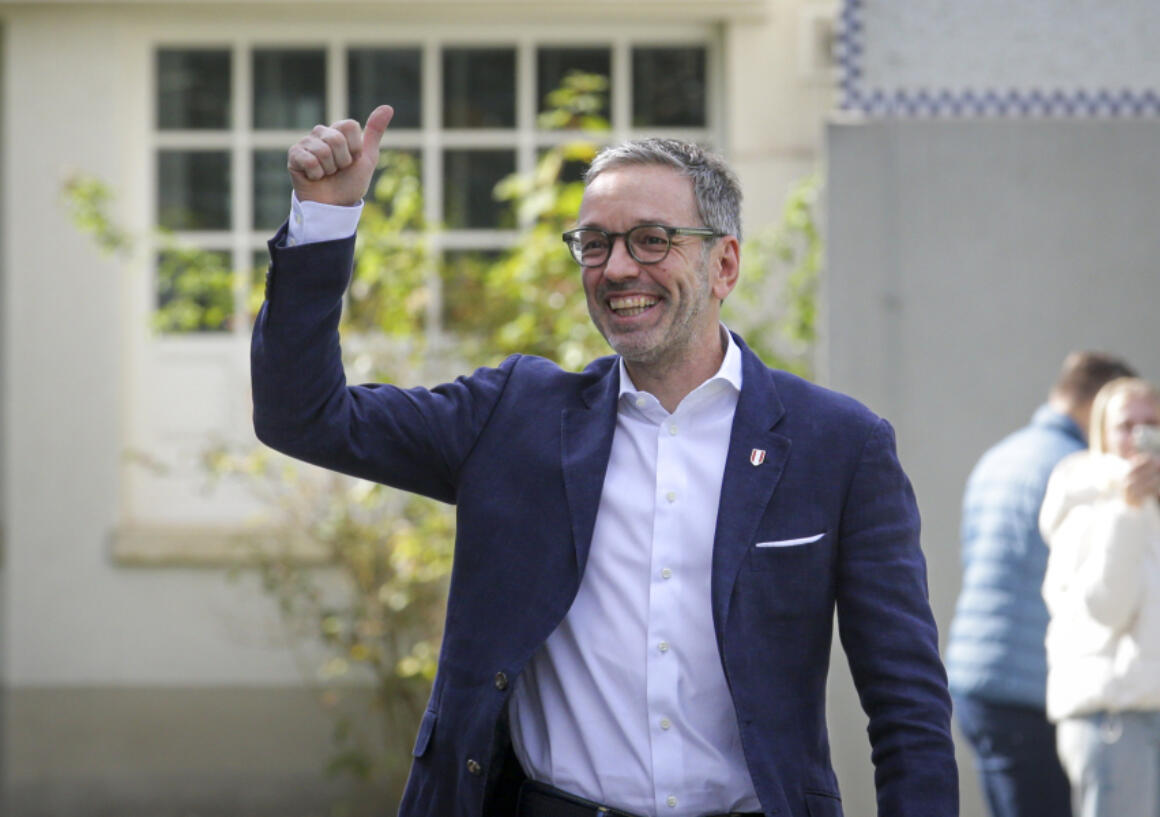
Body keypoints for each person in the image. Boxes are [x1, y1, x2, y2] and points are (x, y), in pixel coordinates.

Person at [251, 105, 957, 817]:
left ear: (726, 264)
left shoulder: (837, 444)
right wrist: (325, 220)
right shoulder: (514, 418)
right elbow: (304, 416)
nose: (619, 268)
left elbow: (907, 707)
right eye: (595, 244)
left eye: (652, 241)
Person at [945, 352, 1135, 817]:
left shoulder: (1000, 456)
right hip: (1032, 691)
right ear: (1097, 405)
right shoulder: (1080, 471)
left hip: (974, 683)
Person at [1040, 378, 1160, 817]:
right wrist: (1127, 510)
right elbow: (1106, 607)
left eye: (1150, 423)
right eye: (1125, 425)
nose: (1138, 436)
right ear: (1103, 433)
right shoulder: (1087, 500)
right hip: (1112, 716)